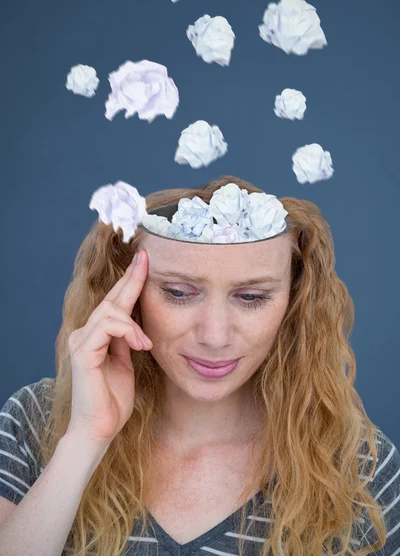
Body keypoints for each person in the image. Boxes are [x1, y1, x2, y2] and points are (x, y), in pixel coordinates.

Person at [0, 174, 399, 556]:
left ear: (293, 304)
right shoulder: (37, 423)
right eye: (178, 292)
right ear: (127, 292)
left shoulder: (360, 466)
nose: (214, 336)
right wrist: (85, 439)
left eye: (252, 297)